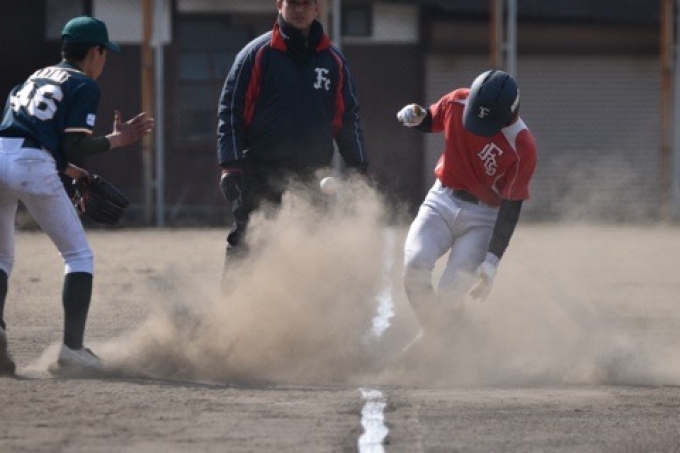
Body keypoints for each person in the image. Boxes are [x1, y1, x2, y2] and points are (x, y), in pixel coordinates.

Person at [0, 16, 154, 376]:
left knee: (2, 258)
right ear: (95, 52)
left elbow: (26, 138)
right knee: (78, 256)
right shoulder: (83, 83)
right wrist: (117, 140)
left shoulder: (33, 78)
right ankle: (72, 350)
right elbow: (71, 145)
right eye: (105, 53)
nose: (104, 61)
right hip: (32, 165)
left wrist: (73, 172)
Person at [217, 0, 370, 287]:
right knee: (248, 241)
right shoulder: (257, 54)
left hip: (312, 172)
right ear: (279, 4)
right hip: (259, 168)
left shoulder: (333, 60)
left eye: (306, 3)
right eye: (293, 3)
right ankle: (231, 308)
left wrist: (358, 167)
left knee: (313, 243)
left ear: (317, 8)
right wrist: (230, 165)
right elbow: (231, 111)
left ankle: (305, 310)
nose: (299, 10)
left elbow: (347, 117)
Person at [396, 69, 537, 338]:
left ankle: (439, 342)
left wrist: (493, 260)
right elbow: (431, 118)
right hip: (441, 199)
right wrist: (416, 116)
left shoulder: (523, 146)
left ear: (509, 114)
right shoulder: (457, 101)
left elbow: (512, 204)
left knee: (450, 294)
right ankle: (441, 338)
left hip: (483, 219)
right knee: (414, 267)